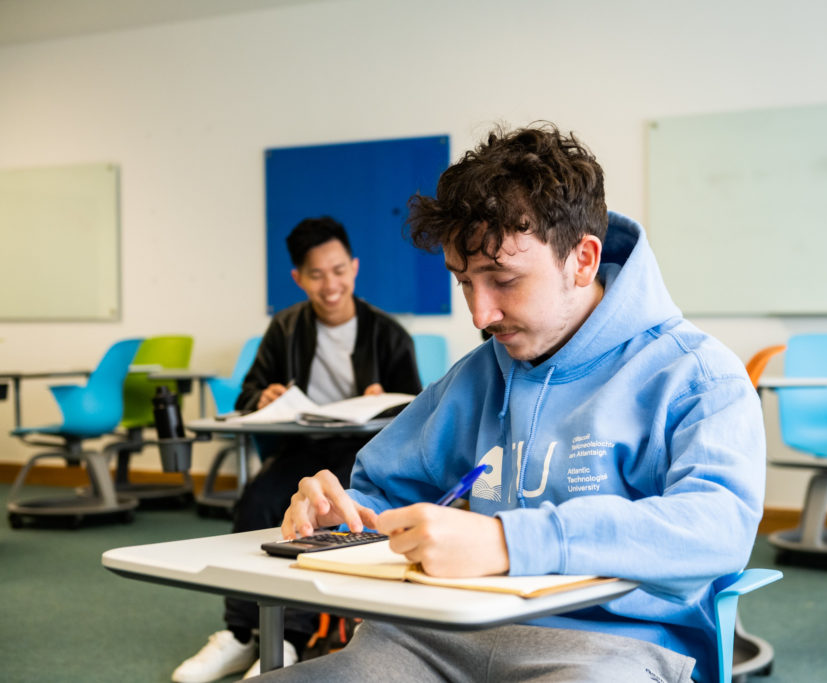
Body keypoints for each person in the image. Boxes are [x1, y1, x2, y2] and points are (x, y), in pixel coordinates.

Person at [265, 124, 766, 683]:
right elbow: (382, 489)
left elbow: (718, 525)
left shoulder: (693, 374)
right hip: (436, 635)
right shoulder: (478, 377)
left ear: (583, 259)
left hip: (611, 649)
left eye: (503, 279)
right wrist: (345, 515)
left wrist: (508, 541)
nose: (480, 315)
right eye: (464, 282)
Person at [173, 216, 422, 683]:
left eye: (338, 270)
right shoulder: (285, 328)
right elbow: (247, 397)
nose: (330, 285)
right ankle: (240, 633)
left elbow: (418, 415)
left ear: (354, 267)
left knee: (329, 511)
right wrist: (261, 398)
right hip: (300, 451)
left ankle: (288, 636)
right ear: (298, 278)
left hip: (361, 456)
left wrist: (383, 404)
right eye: (316, 274)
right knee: (258, 498)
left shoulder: (388, 335)